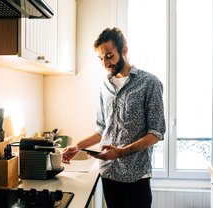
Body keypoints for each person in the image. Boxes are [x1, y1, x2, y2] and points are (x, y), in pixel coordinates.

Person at [62, 27, 166, 208]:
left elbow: (156, 133)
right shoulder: (105, 86)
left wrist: (121, 152)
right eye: (101, 58)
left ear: (124, 50)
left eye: (109, 56)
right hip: (109, 174)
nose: (105, 63)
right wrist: (77, 146)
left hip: (136, 177)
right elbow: (102, 128)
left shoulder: (150, 83)